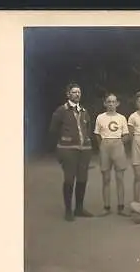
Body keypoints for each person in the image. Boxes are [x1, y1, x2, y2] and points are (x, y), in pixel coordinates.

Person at [49, 83, 97, 221]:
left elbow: (88, 128)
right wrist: (59, 148)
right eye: (74, 92)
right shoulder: (61, 111)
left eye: (79, 92)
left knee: (82, 179)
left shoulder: (83, 111)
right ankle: (68, 210)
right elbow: (53, 130)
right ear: (68, 94)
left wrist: (87, 142)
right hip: (67, 149)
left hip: (84, 150)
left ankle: (79, 208)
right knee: (69, 179)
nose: (77, 94)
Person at [93, 93, 130, 216]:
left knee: (119, 178)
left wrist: (118, 144)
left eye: (113, 102)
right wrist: (103, 145)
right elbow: (97, 134)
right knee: (106, 178)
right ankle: (106, 206)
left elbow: (126, 134)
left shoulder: (121, 118)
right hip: (105, 144)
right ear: (105, 103)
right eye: (109, 101)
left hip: (118, 144)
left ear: (117, 103)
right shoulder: (100, 117)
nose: (111, 104)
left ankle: (121, 206)